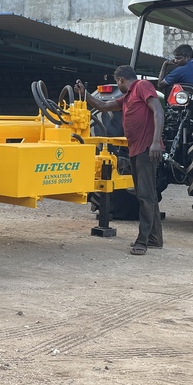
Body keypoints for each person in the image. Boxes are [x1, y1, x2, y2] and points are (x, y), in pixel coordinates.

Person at [75, 65, 165, 255]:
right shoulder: (128, 97)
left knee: (145, 196)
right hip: (136, 149)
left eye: (117, 81)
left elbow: (158, 111)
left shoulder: (142, 86)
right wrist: (85, 95)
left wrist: (156, 142)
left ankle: (143, 242)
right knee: (146, 194)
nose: (118, 84)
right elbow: (104, 106)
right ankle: (155, 238)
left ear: (121, 80)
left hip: (147, 149)